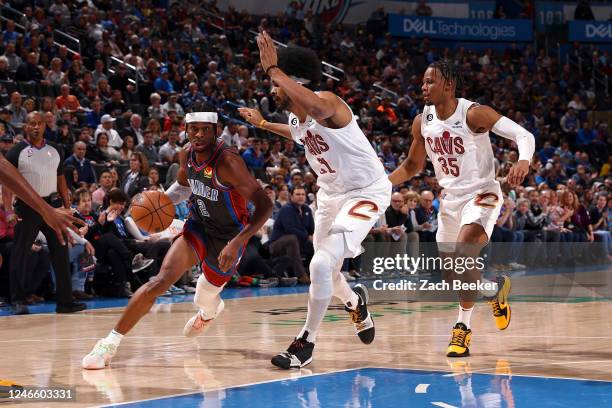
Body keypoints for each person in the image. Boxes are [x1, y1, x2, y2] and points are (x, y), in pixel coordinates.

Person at [239, 33, 391, 369]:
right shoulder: (295, 117)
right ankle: (355, 302)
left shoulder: (329, 102)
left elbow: (319, 108)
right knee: (328, 271)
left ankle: (305, 343)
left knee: (320, 265)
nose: (271, 89)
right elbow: (296, 132)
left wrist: (275, 70)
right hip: (330, 196)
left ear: (295, 81)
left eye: (277, 84)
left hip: (365, 191)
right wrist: (263, 123)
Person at [82, 109, 272, 369]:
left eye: (206, 129)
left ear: (216, 132)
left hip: (228, 236)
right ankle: (109, 343)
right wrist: (162, 201)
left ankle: (209, 311)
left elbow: (264, 205)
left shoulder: (229, 162)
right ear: (186, 130)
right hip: (199, 225)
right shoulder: (186, 154)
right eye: (194, 129)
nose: (199, 134)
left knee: (203, 297)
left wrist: (239, 240)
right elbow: (184, 186)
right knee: (160, 281)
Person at [389, 60, 535, 357]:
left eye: (430, 82)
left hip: (482, 193)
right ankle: (493, 290)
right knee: (452, 275)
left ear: (448, 85)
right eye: (422, 82)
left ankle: (461, 330)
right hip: (451, 200)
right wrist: (381, 185)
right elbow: (412, 165)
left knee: (466, 247)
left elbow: (524, 136)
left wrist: (523, 161)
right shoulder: (422, 121)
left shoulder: (473, 114)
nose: (423, 87)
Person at [3, 112, 87, 315]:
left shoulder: (55, 149)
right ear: (26, 126)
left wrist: (67, 205)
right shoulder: (16, 151)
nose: (36, 127)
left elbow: (61, 180)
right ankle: (18, 300)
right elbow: (7, 183)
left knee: (61, 252)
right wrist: (8, 211)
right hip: (27, 207)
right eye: (32, 123)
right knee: (20, 253)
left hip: (54, 207)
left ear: (44, 126)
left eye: (39, 123)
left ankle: (65, 302)